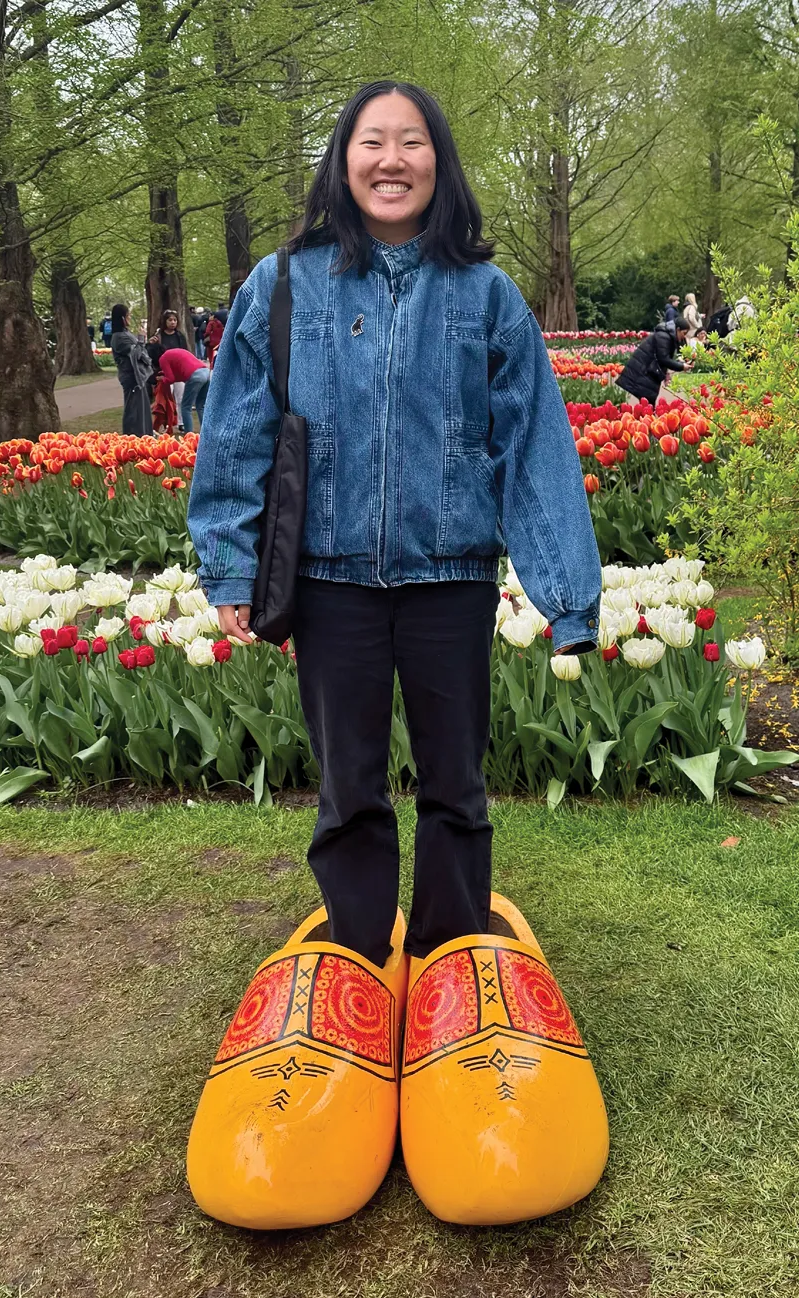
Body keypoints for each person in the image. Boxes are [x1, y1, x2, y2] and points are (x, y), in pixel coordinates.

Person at [186, 80, 608, 1232]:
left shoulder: (485, 294)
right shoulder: (282, 283)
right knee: (350, 785)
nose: (389, 159)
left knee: (457, 783)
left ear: (437, 163)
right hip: (328, 579)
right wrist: (230, 564)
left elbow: (532, 444)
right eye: (370, 141)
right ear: (343, 160)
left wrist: (566, 595)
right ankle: (360, 956)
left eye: (409, 142)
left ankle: (457, 955)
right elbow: (236, 425)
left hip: (447, 574)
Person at [617, 315, 692, 405]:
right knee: (647, 404)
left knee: (647, 404)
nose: (684, 337)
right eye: (684, 333)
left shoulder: (666, 335)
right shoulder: (664, 336)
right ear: (678, 329)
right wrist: (682, 366)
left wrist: (668, 371)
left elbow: (663, 357)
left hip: (646, 371)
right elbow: (663, 359)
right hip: (643, 372)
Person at [110, 304, 153, 436]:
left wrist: (146, 342)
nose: (129, 318)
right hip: (131, 377)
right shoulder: (119, 337)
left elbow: (139, 349)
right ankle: (133, 436)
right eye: (128, 315)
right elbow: (135, 354)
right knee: (134, 410)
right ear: (122, 318)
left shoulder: (125, 334)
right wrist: (141, 339)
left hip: (138, 376)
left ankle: (145, 434)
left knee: (142, 409)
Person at [149, 309, 191, 427]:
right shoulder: (159, 336)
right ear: (165, 321)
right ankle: (167, 421)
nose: (172, 322)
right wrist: (151, 345)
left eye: (174, 320)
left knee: (180, 396)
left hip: (178, 371)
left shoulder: (180, 336)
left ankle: (181, 422)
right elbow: (153, 355)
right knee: (166, 397)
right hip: (164, 371)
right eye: (170, 320)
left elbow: (184, 353)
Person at [158, 346, 211, 432]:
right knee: (201, 406)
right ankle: (207, 432)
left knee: (186, 407)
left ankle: (188, 433)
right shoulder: (174, 353)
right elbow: (180, 375)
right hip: (206, 372)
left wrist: (162, 379)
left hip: (195, 376)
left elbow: (171, 379)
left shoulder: (163, 359)